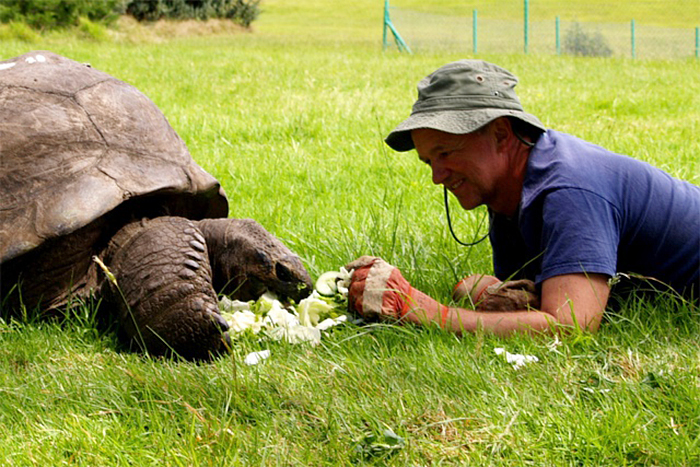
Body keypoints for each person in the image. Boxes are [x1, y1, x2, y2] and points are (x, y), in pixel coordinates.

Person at [345, 59, 700, 336]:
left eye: (447, 153)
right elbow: (531, 295)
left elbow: (571, 326)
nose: (437, 176)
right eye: (428, 161)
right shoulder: (509, 190)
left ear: (501, 134)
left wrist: (425, 312)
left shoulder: (569, 188)